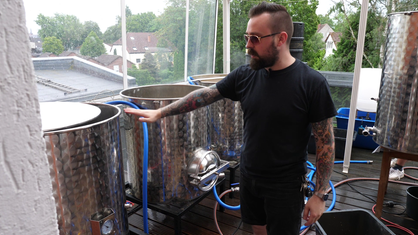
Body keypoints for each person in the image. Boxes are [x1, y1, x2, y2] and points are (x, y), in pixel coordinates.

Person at [125, 2, 337, 234]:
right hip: (250, 176)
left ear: (281, 38)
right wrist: (160, 112)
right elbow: (204, 95)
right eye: (247, 37)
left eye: (255, 38)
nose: (247, 45)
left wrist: (319, 194)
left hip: (285, 185)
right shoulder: (245, 76)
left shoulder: (312, 83)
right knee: (258, 229)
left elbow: (325, 142)